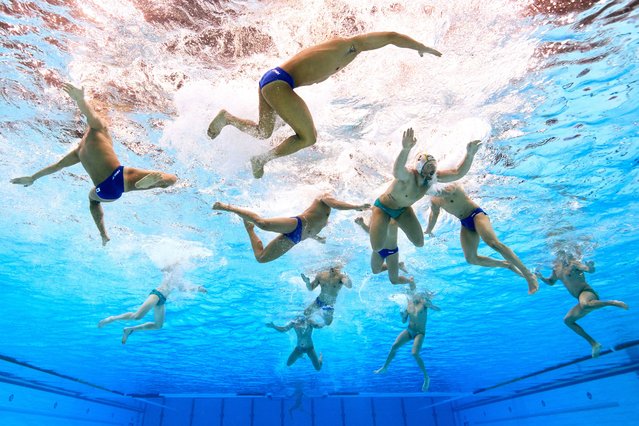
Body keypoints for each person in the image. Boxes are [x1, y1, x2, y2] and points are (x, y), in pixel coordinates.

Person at [207, 32, 442, 178]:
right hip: (280, 83)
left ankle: (227, 118)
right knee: (308, 137)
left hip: (272, 81)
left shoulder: (347, 52)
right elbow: (390, 36)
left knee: (264, 131)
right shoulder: (350, 44)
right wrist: (420, 46)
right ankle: (262, 159)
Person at [10, 83, 177, 245]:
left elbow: (57, 166)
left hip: (105, 191)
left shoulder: (80, 150)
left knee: (93, 200)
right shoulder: (98, 129)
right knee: (171, 179)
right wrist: (80, 100)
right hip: (119, 176)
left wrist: (33, 178)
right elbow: (90, 116)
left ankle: (104, 235)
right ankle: (146, 184)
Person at [369, 128, 481, 252]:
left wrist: (469, 155)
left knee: (419, 243)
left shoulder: (431, 179)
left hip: (402, 210)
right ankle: (379, 219)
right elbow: (397, 171)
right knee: (377, 247)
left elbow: (458, 173)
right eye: (428, 167)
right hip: (383, 207)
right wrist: (406, 149)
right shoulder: (409, 175)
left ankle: (393, 222)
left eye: (433, 166)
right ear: (420, 167)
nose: (432, 170)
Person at [424, 184, 539, 294]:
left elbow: (449, 185)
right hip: (465, 223)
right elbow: (433, 215)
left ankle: (528, 275)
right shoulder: (434, 200)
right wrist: (429, 230)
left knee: (494, 244)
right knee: (471, 259)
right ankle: (506, 264)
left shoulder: (450, 186)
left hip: (476, 215)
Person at [212, 195, 370, 263]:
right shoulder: (324, 196)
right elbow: (336, 204)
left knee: (261, 258)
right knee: (263, 224)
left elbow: (312, 230)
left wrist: (317, 238)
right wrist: (356, 206)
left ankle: (249, 229)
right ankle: (227, 207)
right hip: (298, 224)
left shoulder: (326, 217)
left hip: (296, 238)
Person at [535, 251, 629, 357]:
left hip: (587, 292)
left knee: (584, 304)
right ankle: (594, 344)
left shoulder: (573, 263)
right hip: (580, 298)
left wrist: (590, 266)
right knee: (567, 320)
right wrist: (541, 277)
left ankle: (612, 302)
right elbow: (551, 282)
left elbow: (590, 270)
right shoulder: (556, 269)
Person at [97, 266, 206, 344]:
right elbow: (164, 268)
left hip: (162, 300)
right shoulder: (173, 267)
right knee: (137, 316)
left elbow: (183, 288)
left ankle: (130, 329)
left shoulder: (179, 279)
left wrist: (198, 289)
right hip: (157, 294)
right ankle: (112, 319)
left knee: (158, 325)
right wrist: (168, 265)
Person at [374, 291, 440, 392]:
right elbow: (404, 321)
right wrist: (402, 316)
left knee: (414, 353)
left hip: (420, 333)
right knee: (394, 345)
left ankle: (426, 377)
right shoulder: (408, 305)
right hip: (409, 330)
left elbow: (438, 309)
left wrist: (431, 305)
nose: (413, 296)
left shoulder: (423, 304)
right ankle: (385, 367)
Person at [355, 216, 415, 288]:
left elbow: (407, 227)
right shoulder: (376, 214)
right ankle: (398, 265)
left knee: (394, 281)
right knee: (375, 270)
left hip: (391, 252)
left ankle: (410, 281)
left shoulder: (395, 216)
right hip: (378, 249)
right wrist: (362, 224)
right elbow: (371, 231)